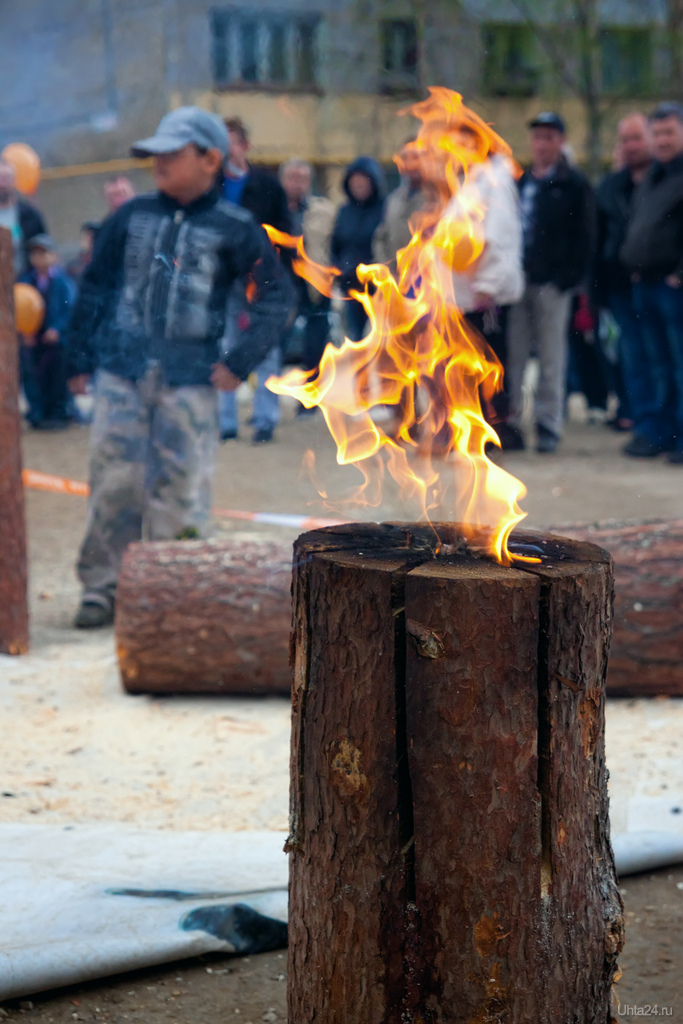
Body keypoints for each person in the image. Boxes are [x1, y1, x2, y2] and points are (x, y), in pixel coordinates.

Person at [64, 106, 290, 628]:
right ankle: (103, 588)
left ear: (211, 159)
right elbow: (95, 285)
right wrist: (79, 356)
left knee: (181, 491)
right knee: (113, 483)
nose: (158, 163)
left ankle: (174, 596)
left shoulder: (237, 228)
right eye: (154, 154)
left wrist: (240, 360)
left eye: (171, 153)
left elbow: (276, 299)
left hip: (191, 383)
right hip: (121, 375)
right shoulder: (130, 216)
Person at [506, 112, 594, 452]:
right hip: (519, 283)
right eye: (538, 137)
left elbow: (585, 236)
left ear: (561, 141)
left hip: (553, 285)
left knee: (551, 356)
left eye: (549, 137)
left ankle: (548, 425)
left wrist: (566, 279)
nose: (542, 144)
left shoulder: (574, 184)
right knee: (514, 355)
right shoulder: (521, 182)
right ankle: (512, 422)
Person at [442, 129, 524, 449]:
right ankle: (476, 428)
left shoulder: (495, 181)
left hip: (484, 296)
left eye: (464, 145)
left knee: (490, 363)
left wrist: (489, 285)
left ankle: (497, 430)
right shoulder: (473, 182)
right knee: (472, 363)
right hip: (467, 294)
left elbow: (500, 237)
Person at [218, 117, 292, 443]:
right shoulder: (210, 187)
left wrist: (282, 276)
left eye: (231, 141)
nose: (225, 149)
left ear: (244, 146)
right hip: (224, 280)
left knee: (266, 348)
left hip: (263, 279)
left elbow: (287, 233)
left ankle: (265, 420)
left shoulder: (267, 186)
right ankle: (225, 423)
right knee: (225, 346)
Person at [620, 102, 683, 464]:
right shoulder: (653, 177)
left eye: (669, 132)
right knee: (654, 364)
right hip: (643, 285)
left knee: (677, 364)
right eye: (656, 133)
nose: (662, 140)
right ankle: (662, 433)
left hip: (672, 288)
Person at [594, 113, 658, 446]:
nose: (631, 146)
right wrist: (597, 291)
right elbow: (598, 238)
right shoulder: (610, 187)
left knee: (665, 358)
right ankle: (644, 427)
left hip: (662, 283)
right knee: (633, 359)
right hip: (620, 288)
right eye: (625, 140)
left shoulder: (668, 181)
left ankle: (672, 428)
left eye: (637, 137)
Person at [279, 158, 336, 413]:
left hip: (314, 285)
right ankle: (268, 401)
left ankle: (309, 400)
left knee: (315, 345)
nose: (297, 184)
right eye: (292, 177)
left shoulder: (323, 210)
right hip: (281, 285)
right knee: (276, 343)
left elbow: (334, 243)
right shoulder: (273, 209)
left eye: (302, 178)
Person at [19, 235, 73, 429]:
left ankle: (58, 413)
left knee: (57, 377)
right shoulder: (25, 281)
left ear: (54, 256)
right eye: (35, 254)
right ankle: (37, 413)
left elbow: (69, 309)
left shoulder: (63, 281)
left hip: (56, 341)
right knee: (32, 377)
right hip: (32, 339)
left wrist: (57, 329)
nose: (40, 258)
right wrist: (25, 332)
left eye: (44, 253)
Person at [331, 157, 385, 341]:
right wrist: (338, 270)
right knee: (355, 337)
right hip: (350, 285)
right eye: (354, 180)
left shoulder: (385, 209)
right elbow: (336, 245)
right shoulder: (344, 212)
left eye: (363, 179)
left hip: (378, 286)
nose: (358, 184)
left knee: (380, 336)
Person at [373, 139, 428, 271]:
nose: (410, 163)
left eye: (415, 157)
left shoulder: (439, 198)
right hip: (396, 280)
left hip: (427, 283)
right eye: (405, 158)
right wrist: (388, 271)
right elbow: (381, 238)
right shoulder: (394, 199)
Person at [0, 159, 47, 275]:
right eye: (0, 179)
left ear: (14, 181)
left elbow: (44, 245)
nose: (3, 184)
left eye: (6, 178)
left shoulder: (29, 214)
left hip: (25, 278)